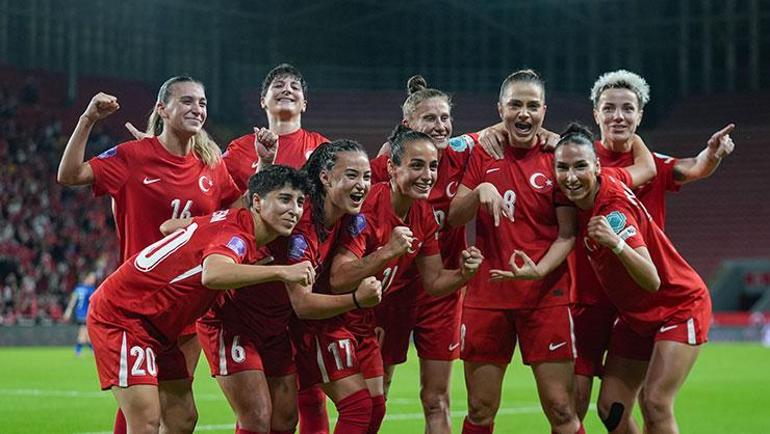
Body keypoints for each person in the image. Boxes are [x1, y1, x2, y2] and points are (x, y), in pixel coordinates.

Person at [57, 76, 242, 433]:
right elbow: (69, 175)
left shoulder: (212, 165)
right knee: (143, 413)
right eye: (187, 101)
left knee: (178, 417)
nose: (197, 108)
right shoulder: (132, 157)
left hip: (186, 306)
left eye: (202, 102)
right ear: (162, 110)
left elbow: (236, 215)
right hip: (137, 304)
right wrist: (88, 119)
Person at [86, 165, 316, 434]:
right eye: (285, 199)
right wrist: (281, 272)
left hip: (159, 327)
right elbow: (213, 274)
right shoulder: (237, 234)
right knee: (145, 423)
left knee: (181, 419)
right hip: (125, 316)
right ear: (256, 201)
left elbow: (168, 227)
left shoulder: (228, 220)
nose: (294, 210)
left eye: (299, 202)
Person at [574, 70, 735, 429]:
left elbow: (693, 167)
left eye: (627, 109)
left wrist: (712, 155)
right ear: (596, 114)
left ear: (640, 115)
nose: (618, 116)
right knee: (611, 408)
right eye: (609, 108)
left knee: (655, 402)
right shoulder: (580, 164)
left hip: (669, 296)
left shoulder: (650, 164)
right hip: (626, 305)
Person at [193, 140, 383, 434]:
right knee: (257, 419)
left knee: (284, 420)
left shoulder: (341, 219)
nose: (361, 184)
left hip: (275, 325)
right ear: (325, 177)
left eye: (366, 176)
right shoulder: (301, 224)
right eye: (352, 175)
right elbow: (303, 304)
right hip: (233, 320)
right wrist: (357, 299)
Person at [553, 123, 713, 434]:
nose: (571, 177)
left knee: (655, 403)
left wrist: (616, 243)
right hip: (636, 316)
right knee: (611, 408)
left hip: (679, 305)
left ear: (596, 167)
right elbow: (646, 168)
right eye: (563, 167)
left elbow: (652, 279)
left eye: (580, 166)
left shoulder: (613, 212)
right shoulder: (592, 185)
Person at [447, 69, 583, 434]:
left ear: (544, 111)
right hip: (488, 295)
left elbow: (568, 233)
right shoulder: (483, 151)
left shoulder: (558, 156)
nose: (524, 113)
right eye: (515, 105)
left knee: (561, 409)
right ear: (500, 109)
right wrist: (479, 191)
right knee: (480, 408)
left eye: (532, 106)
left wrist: (539, 270)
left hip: (546, 296)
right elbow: (454, 216)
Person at [328, 128, 484, 433]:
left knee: (373, 409)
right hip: (329, 319)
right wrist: (388, 251)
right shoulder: (368, 207)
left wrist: (464, 274)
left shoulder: (423, 213)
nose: (427, 175)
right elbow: (337, 279)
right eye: (417, 166)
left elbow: (434, 281)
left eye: (433, 166)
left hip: (363, 320)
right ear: (391, 167)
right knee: (349, 409)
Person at [368, 76, 473, 434]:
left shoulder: (464, 156)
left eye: (445, 118)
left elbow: (501, 132)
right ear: (407, 124)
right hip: (391, 290)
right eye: (430, 118)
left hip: (441, 291)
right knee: (377, 392)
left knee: (436, 398)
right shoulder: (383, 167)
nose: (440, 125)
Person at [63, 271, 97, 356]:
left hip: (78, 314)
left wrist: (68, 311)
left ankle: (92, 350)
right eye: (92, 278)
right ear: (87, 278)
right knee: (83, 333)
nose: (93, 280)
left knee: (86, 334)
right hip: (86, 314)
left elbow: (73, 301)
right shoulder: (91, 289)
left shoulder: (78, 288)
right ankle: (78, 350)